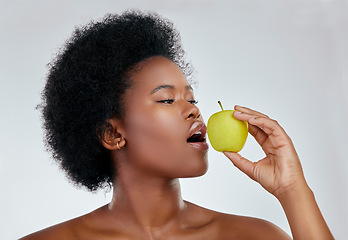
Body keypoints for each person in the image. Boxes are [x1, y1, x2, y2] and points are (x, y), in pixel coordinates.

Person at [20, 10, 334, 239]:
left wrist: (292, 189)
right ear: (112, 133)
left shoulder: (254, 235)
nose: (193, 113)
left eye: (192, 100)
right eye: (167, 100)